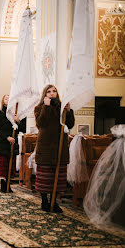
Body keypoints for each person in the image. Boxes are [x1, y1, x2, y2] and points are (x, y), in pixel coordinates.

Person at [34, 84, 75, 213]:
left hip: (59, 145)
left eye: (54, 91)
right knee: (45, 176)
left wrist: (68, 111)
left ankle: (54, 201)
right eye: (49, 91)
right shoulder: (39, 107)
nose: (52, 93)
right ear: (45, 94)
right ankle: (44, 201)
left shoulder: (62, 108)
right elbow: (41, 123)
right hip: (45, 145)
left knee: (57, 176)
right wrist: (46, 107)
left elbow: (70, 124)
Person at [0, 94, 23, 193]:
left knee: (11, 165)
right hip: (3, 143)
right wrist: (7, 137)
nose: (8, 100)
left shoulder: (15, 114)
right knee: (3, 165)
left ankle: (8, 185)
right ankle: (3, 185)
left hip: (13, 143)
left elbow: (21, 129)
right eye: (6, 98)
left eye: (10, 99)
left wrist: (18, 122)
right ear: (3, 101)